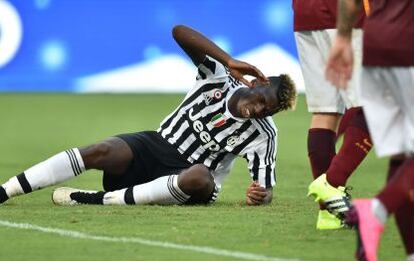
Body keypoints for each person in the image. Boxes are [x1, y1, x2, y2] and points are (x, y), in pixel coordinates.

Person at [0, 25, 296, 208]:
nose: (258, 110)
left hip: (188, 180)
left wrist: (260, 195)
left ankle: (98, 201)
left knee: (201, 176)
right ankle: (6, 190)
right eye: (261, 101)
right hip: (156, 145)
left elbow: (265, 189)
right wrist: (228, 59)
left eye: (266, 110)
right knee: (102, 150)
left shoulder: (264, 135)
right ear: (256, 83)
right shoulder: (218, 77)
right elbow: (179, 31)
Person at [326, 0, 414, 261]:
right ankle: (375, 210)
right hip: (409, 46)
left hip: (376, 47)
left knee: (401, 157)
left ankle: (413, 259)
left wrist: (342, 37)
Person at [292, 0, 373, 230]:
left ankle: (329, 214)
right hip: (345, 11)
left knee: (325, 110)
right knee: (375, 105)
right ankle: (331, 184)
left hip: (305, 12)